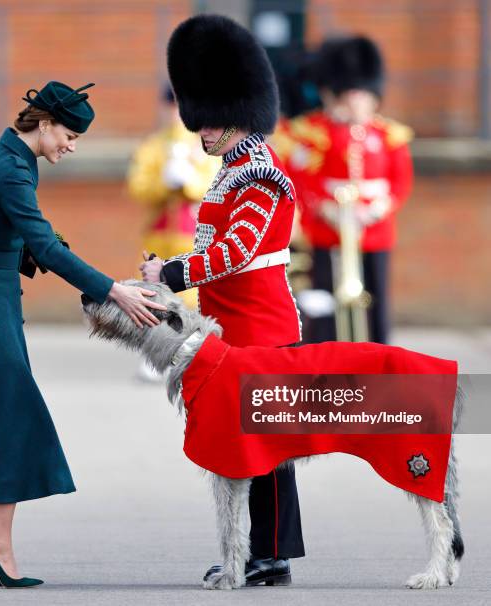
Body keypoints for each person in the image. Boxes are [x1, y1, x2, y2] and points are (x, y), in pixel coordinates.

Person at [0, 81, 166, 588]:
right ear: (42, 125)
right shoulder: (13, 168)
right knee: (10, 421)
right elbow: (42, 242)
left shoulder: (2, 157)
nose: (72, 145)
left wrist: (22, 249)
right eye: (68, 134)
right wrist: (113, 292)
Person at [141, 15, 305, 586]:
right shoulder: (231, 169)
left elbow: (236, 251)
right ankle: (251, 550)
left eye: (209, 121)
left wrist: (172, 271)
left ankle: (274, 555)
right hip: (227, 324)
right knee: (240, 443)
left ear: (238, 113)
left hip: (260, 325)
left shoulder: (260, 175)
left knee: (270, 448)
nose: (201, 132)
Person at [274, 36, 413, 344]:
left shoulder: (389, 135)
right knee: (326, 298)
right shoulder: (316, 132)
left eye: (363, 94)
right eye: (352, 93)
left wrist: (377, 209)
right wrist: (324, 208)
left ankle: (378, 356)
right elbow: (301, 178)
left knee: (375, 297)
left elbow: (400, 182)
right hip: (329, 229)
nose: (358, 101)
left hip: (373, 230)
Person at [127, 85, 220, 380]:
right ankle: (158, 353)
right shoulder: (154, 146)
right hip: (161, 232)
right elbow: (138, 186)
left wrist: (190, 182)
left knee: (193, 297)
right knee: (157, 294)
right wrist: (164, 182)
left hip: (193, 232)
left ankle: (194, 353)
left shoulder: (208, 146)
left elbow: (215, 186)